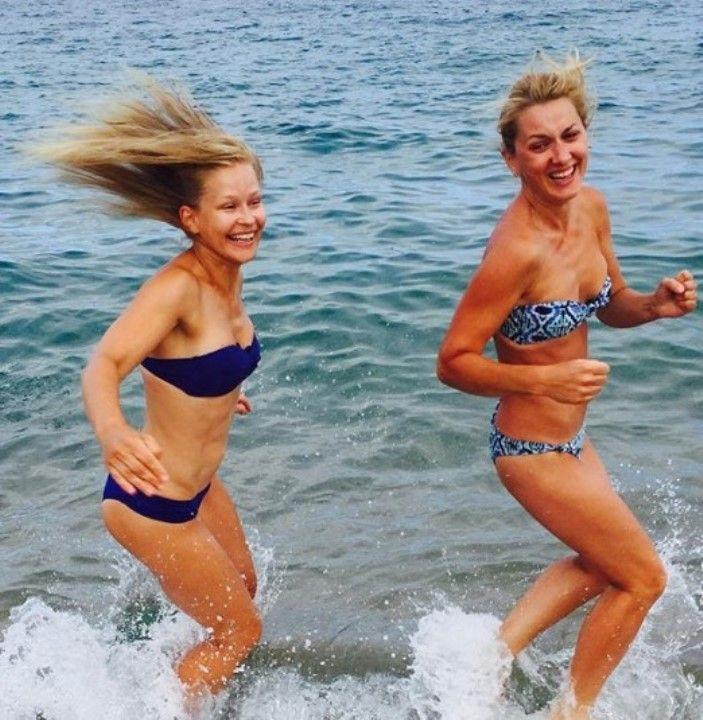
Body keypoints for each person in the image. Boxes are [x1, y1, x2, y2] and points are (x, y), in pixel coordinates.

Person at [436, 54, 697, 719]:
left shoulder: (591, 209)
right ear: (511, 159)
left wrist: (653, 306)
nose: (560, 156)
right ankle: (571, 711)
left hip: (573, 441)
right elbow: (453, 361)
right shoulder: (514, 251)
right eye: (539, 144)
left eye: (570, 136)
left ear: (586, 136)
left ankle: (493, 655)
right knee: (642, 578)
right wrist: (547, 377)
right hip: (529, 450)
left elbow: (608, 304)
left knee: (603, 565)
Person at [34, 79, 265, 699]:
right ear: (192, 218)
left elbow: (189, 362)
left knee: (242, 590)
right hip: (151, 502)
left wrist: (221, 392)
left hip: (200, 487)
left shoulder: (227, 276)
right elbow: (104, 364)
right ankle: (162, 706)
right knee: (240, 632)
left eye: (254, 201)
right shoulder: (177, 288)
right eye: (230, 207)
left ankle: (170, 682)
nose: (248, 218)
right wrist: (112, 433)